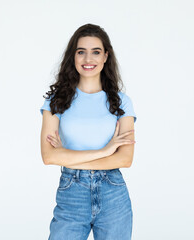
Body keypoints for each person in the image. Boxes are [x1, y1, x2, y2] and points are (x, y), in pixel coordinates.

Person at [40, 23, 137, 240]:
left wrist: (68, 156)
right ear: (72, 57)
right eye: (81, 52)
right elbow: (48, 156)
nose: (88, 59)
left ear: (105, 57)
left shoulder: (122, 103)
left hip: (113, 193)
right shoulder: (56, 101)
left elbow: (125, 158)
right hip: (71, 193)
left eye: (96, 52)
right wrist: (106, 151)